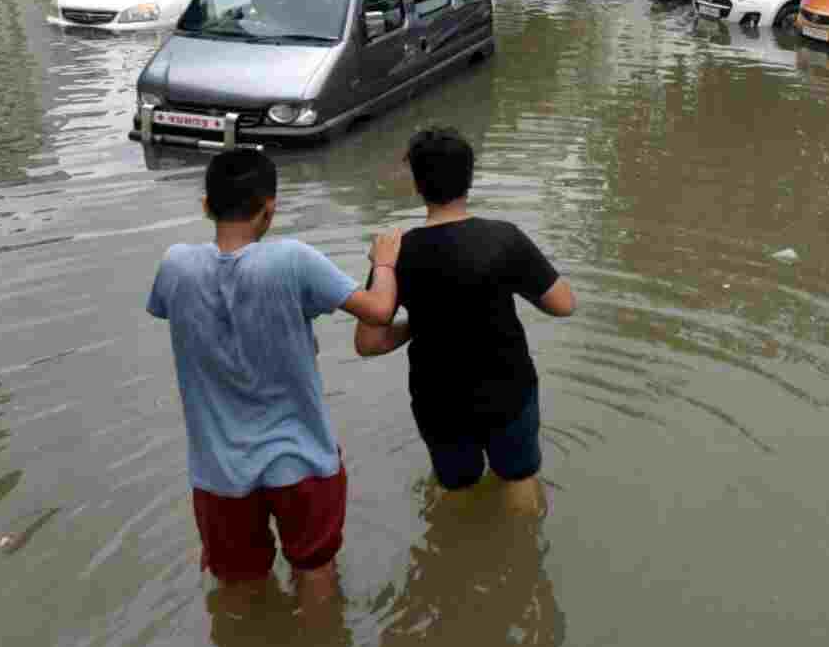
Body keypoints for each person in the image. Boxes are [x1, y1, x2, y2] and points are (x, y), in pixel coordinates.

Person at [147, 149, 402, 607]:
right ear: (270, 208)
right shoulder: (292, 260)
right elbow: (380, 310)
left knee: (238, 590)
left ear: (206, 206)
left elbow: (173, 308)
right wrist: (384, 262)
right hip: (301, 460)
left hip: (219, 471)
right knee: (315, 571)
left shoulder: (175, 266)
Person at [353, 128, 575, 513]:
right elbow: (564, 304)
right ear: (470, 178)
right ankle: (523, 563)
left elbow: (369, 343)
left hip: (438, 398)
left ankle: (449, 560)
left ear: (417, 185)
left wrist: (421, 321)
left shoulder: (396, 252)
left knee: (454, 488)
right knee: (519, 478)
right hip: (508, 388)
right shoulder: (505, 239)